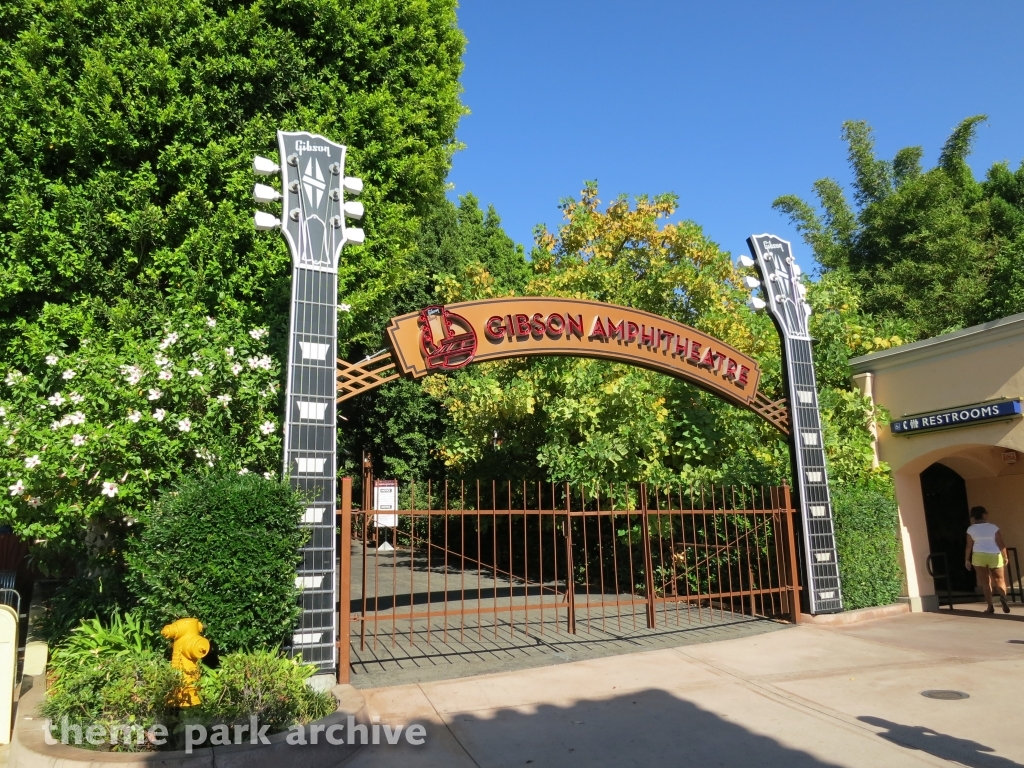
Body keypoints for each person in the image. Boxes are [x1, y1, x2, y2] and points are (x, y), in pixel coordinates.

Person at [965, 506, 1010, 614]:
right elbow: (1001, 543)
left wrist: (967, 559)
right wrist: (1005, 556)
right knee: (1000, 579)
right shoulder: (993, 527)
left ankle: (990, 606)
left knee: (985, 583)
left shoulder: (971, 529)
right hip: (994, 554)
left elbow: (969, 546)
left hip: (978, 556)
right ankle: (1003, 597)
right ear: (984, 514)